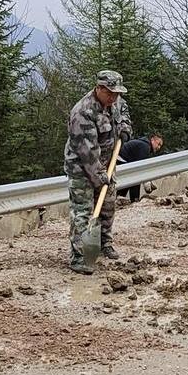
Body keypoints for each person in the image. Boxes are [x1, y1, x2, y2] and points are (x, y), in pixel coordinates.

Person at [63, 70, 133, 275]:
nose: (113, 97)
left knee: (108, 207)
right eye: (110, 93)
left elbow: (124, 114)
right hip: (82, 168)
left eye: (116, 93)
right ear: (99, 88)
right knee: (83, 212)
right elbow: (87, 153)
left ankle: (104, 244)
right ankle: (79, 257)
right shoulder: (82, 112)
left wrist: (125, 128)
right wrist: (100, 177)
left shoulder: (116, 102)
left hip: (106, 163)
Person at [116, 134, 164, 203]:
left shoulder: (144, 144)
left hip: (121, 159)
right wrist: (146, 183)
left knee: (129, 179)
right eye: (158, 144)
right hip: (121, 159)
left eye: (160, 146)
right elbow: (139, 168)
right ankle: (134, 200)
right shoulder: (145, 147)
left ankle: (120, 197)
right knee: (135, 178)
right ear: (152, 140)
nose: (159, 147)